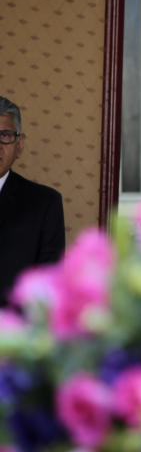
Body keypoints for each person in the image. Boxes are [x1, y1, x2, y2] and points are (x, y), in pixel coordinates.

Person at [0, 95, 65, 307]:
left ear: (20, 144)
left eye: (5, 135)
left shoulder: (45, 204)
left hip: (16, 335)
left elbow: (48, 281)